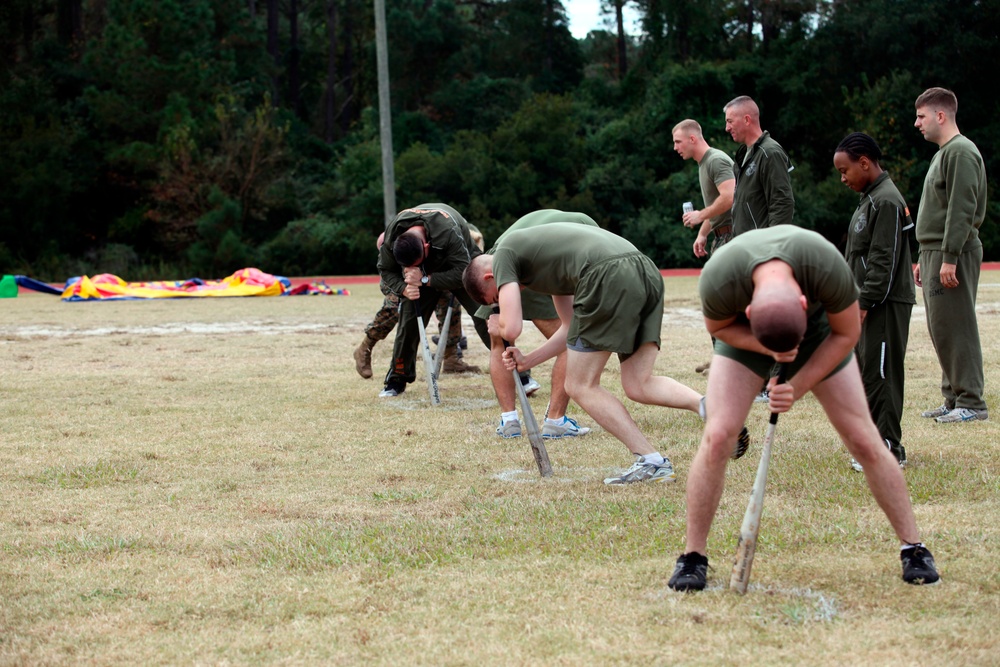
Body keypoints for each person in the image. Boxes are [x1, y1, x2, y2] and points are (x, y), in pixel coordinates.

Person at [667, 226, 939, 591]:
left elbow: (846, 335)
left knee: (863, 437)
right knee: (718, 435)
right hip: (748, 336)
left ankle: (914, 547)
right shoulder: (719, 278)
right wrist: (767, 352)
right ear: (747, 307)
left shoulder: (826, 266)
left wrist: (796, 386)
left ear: (803, 301)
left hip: (819, 333)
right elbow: (720, 327)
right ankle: (692, 556)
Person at [463, 223, 750, 484]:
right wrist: (529, 360)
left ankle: (651, 461)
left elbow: (511, 325)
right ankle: (710, 408)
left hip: (606, 274)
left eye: (496, 296)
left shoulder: (503, 256)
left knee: (579, 384)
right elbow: (568, 328)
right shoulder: (545, 266)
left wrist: (497, 322)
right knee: (639, 383)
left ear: (492, 277)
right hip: (643, 270)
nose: (501, 298)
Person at [473, 210, 598, 439]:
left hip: (502, 261)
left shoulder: (566, 225)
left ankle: (509, 421)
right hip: (529, 268)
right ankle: (555, 420)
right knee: (569, 341)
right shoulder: (587, 230)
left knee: (498, 342)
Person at [834, 132, 916, 471]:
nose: (843, 179)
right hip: (868, 302)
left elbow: (884, 260)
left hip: (884, 304)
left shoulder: (886, 201)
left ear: (864, 163)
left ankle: (887, 449)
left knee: (881, 373)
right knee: (869, 372)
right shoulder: (870, 198)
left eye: (845, 170)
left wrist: (865, 303)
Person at [912, 87, 989, 423]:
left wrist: (949, 257)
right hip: (933, 251)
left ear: (940, 116)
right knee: (941, 327)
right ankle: (954, 397)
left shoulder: (960, 152)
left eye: (921, 116)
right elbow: (937, 210)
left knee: (958, 327)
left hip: (950, 253)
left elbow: (961, 209)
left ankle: (972, 402)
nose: (917, 123)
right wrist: (923, 255)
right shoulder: (943, 153)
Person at [376, 203, 490, 397]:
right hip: (421, 274)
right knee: (408, 322)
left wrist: (425, 279)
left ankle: (519, 373)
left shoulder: (448, 232)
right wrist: (404, 287)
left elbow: (462, 271)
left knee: (485, 314)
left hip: (462, 263)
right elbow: (385, 269)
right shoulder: (392, 236)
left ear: (427, 247)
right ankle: (397, 378)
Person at [355, 232, 478, 380]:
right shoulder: (391, 241)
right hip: (402, 276)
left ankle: (451, 357)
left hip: (430, 272)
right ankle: (365, 348)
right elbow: (387, 273)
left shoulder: (435, 234)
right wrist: (404, 287)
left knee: (450, 306)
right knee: (393, 308)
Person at [723, 96, 795, 235]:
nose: (727, 128)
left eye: (730, 121)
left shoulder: (769, 152)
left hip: (761, 248)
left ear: (747, 120)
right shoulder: (743, 155)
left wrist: (772, 245)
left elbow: (782, 202)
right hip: (745, 246)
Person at [671, 119, 736, 258]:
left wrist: (700, 215)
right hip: (724, 237)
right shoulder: (704, 163)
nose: (675, 148)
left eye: (678, 142)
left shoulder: (716, 160)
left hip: (734, 237)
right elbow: (716, 205)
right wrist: (702, 234)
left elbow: (730, 197)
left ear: (692, 139)